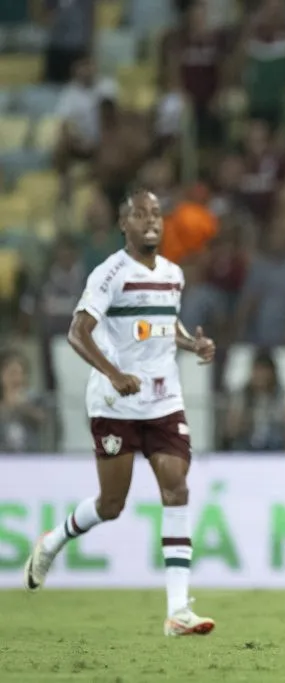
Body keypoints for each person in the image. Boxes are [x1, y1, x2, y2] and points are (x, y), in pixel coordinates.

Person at [22, 189, 217, 637]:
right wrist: (113, 374)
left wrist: (193, 344)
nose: (151, 220)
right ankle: (54, 541)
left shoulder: (173, 274)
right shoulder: (109, 273)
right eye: (140, 214)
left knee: (177, 487)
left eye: (156, 214)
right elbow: (78, 332)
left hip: (164, 401)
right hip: (115, 405)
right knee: (111, 505)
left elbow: (165, 325)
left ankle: (178, 610)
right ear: (123, 224)